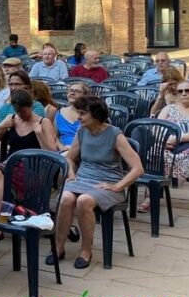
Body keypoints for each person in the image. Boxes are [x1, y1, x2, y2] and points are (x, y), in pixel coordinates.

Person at [48, 96, 142, 269]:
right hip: (82, 179)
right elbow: (69, 157)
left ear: (96, 115)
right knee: (66, 198)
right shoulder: (82, 131)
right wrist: (71, 174)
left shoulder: (115, 135)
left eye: (83, 113)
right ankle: (58, 247)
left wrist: (117, 186)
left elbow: (137, 168)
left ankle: (86, 250)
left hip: (107, 182)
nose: (78, 117)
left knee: (84, 201)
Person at [0, 89, 60, 254]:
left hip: (32, 169)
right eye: (18, 111)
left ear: (31, 106)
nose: (21, 115)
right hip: (10, 165)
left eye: (24, 111)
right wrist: (2, 126)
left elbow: (52, 153)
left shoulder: (43, 122)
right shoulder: (12, 120)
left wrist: (39, 133)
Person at [154, 80, 189, 203]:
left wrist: (178, 138)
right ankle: (151, 196)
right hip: (167, 146)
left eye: (188, 91)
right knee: (153, 155)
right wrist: (163, 141)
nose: (184, 93)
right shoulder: (168, 109)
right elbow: (156, 128)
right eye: (180, 91)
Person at [54, 82, 89, 149]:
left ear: (85, 95)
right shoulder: (59, 112)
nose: (72, 93)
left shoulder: (90, 113)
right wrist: (62, 147)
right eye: (71, 91)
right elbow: (54, 136)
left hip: (84, 149)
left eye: (77, 91)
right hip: (63, 150)